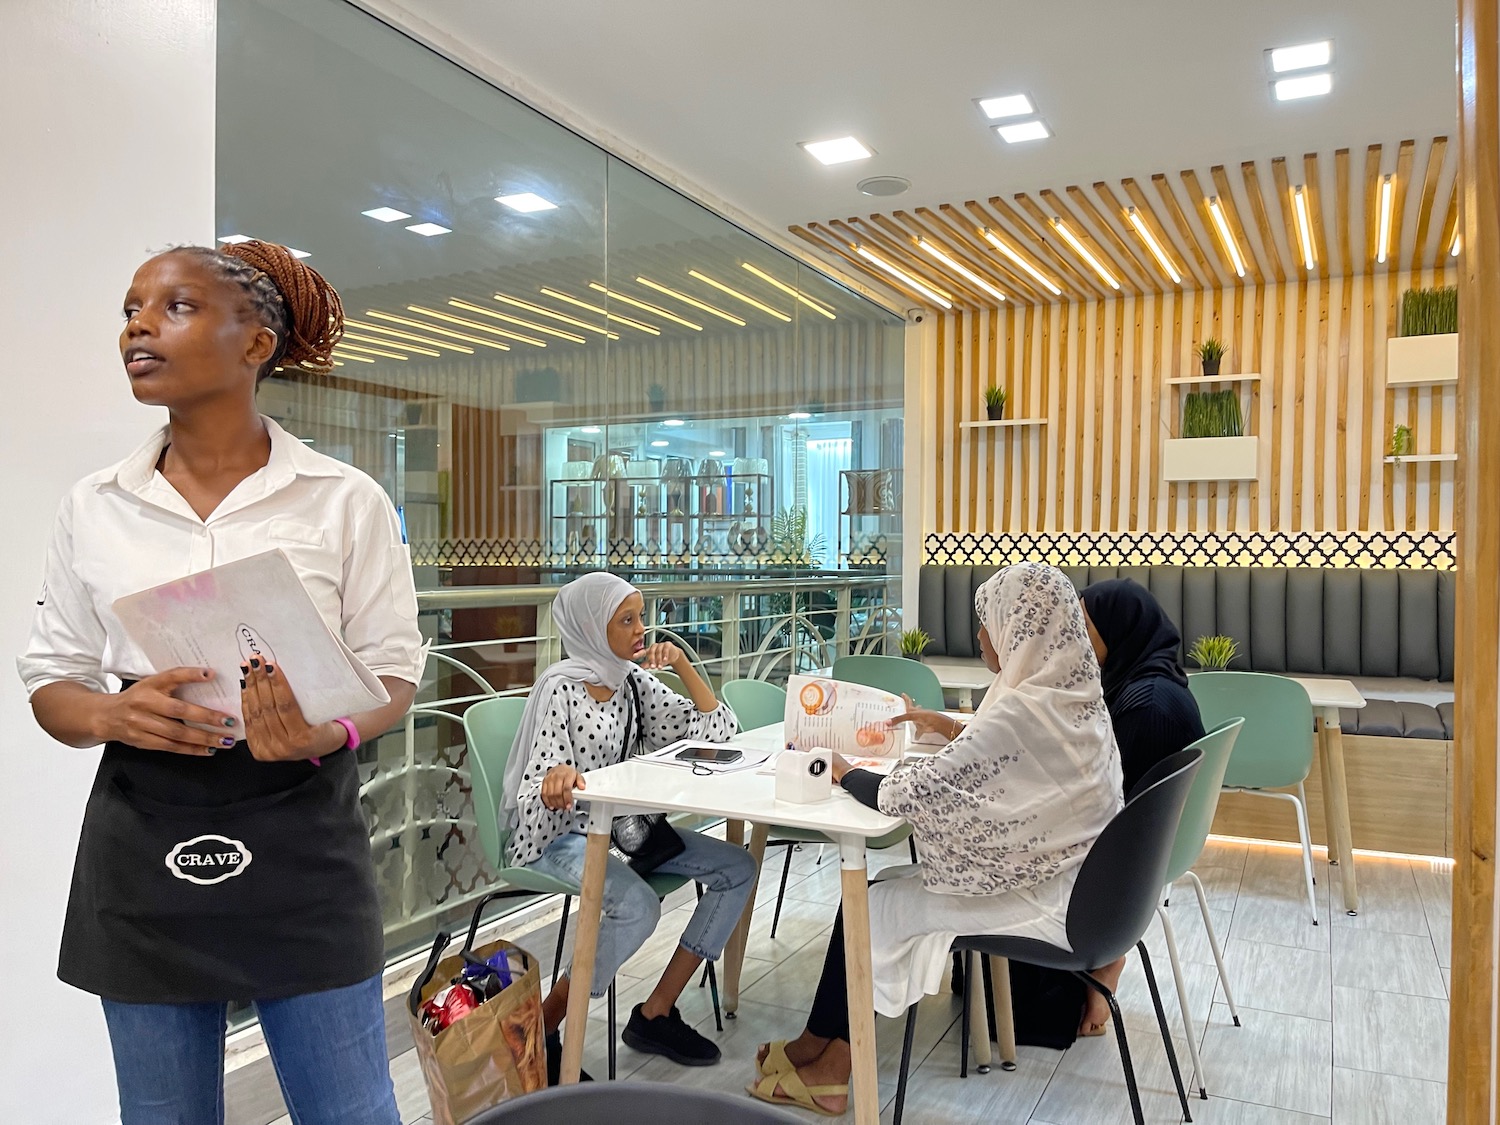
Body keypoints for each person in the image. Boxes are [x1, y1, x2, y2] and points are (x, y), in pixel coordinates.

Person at [18, 241, 424, 1124]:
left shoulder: (343, 500)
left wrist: (330, 731)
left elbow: (394, 673)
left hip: (303, 841)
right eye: (132, 308)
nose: (137, 326)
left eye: (176, 307)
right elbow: (53, 679)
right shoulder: (94, 505)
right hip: (143, 844)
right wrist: (114, 712)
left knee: (353, 1112)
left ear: (256, 343)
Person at [748, 563, 1123, 1115]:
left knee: (873, 906)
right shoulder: (1070, 693)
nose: (979, 636)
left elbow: (911, 793)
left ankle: (831, 1072)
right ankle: (815, 1043)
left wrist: (845, 770)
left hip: (1051, 904)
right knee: (878, 896)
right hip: (1083, 888)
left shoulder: (1024, 708)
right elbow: (1006, 757)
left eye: (988, 622)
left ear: (1021, 628)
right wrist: (945, 728)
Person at [504, 571, 755, 1067]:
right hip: (563, 837)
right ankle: (538, 1029)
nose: (641, 629)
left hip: (626, 832)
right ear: (593, 628)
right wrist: (558, 780)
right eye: (627, 620)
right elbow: (542, 784)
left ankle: (655, 1013)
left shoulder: (633, 682)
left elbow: (723, 735)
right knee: (639, 906)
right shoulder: (560, 690)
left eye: (642, 616)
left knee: (739, 869)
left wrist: (682, 665)